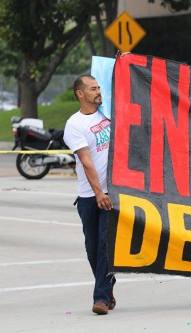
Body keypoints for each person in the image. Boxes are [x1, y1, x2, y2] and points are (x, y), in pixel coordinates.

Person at [63, 74, 115, 315]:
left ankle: (101, 298)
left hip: (113, 191)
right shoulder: (74, 124)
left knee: (105, 245)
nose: (98, 92)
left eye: (98, 88)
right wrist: (97, 193)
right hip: (88, 195)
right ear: (80, 94)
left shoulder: (108, 113)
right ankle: (108, 284)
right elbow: (86, 161)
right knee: (92, 248)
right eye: (92, 89)